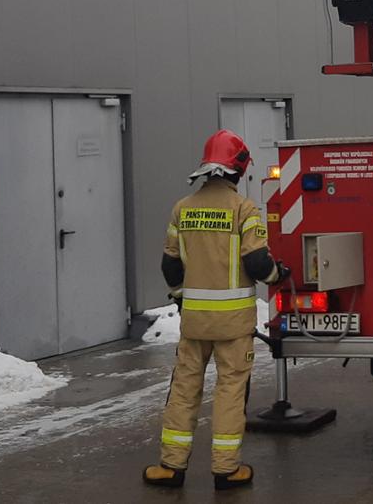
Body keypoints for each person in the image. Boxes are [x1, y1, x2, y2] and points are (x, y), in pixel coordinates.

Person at [144, 130, 286, 490]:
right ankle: (226, 469)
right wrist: (277, 274)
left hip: (194, 323)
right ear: (238, 170)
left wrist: (180, 297)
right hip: (233, 325)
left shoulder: (183, 208)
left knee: (184, 389)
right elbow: (257, 263)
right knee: (230, 391)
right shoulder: (244, 209)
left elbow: (170, 266)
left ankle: (170, 467)